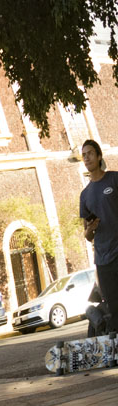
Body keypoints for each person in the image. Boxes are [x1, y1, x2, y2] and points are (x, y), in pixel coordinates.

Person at [80, 139, 118, 329]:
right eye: (84, 155)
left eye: (90, 153)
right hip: (103, 260)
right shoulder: (85, 195)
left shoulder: (114, 179)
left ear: (99, 156)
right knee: (114, 309)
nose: (87, 157)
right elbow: (87, 235)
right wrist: (91, 228)